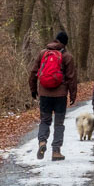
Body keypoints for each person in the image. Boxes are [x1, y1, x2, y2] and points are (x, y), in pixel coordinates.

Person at [29, 29, 78, 161]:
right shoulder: (67, 57)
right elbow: (71, 78)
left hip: (44, 94)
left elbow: (33, 73)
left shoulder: (43, 53)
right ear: (65, 43)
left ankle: (42, 142)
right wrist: (73, 95)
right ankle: (56, 151)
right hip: (60, 95)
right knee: (59, 123)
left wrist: (33, 90)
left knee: (45, 120)